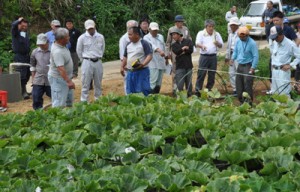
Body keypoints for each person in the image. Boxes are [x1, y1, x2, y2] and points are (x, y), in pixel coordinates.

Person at [77, 19, 105, 102]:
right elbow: (79, 50)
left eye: (92, 28)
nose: (91, 30)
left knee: (98, 83)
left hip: (98, 61)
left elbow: (102, 48)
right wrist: (84, 60)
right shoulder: (82, 38)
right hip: (87, 61)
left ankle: (98, 99)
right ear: (86, 29)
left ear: (94, 26)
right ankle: (84, 101)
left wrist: (99, 56)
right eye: (89, 29)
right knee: (85, 83)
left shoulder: (100, 37)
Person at [268, 25, 300, 96]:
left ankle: (287, 107)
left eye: (276, 37)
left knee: (284, 94)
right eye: (273, 38)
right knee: (275, 92)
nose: (275, 39)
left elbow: (299, 56)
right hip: (274, 71)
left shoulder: (290, 44)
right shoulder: (275, 42)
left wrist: (290, 65)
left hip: (283, 72)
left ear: (281, 34)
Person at [120, 26, 153, 95]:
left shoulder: (144, 43)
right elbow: (125, 56)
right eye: (128, 34)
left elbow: (149, 55)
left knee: (143, 91)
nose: (128, 36)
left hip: (142, 71)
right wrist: (122, 66)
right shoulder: (128, 45)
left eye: (130, 34)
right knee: (130, 92)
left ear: (137, 35)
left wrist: (143, 64)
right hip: (130, 72)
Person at [195, 19, 223, 97]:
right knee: (201, 74)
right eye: (209, 26)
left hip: (213, 57)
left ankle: (209, 90)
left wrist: (217, 43)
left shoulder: (216, 34)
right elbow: (197, 43)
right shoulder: (201, 33)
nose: (211, 28)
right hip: (204, 57)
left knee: (212, 75)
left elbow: (221, 45)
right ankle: (198, 91)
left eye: (212, 26)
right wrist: (202, 46)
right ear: (206, 27)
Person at [48, 28, 75, 107]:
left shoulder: (61, 45)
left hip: (65, 78)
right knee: (59, 103)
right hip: (59, 79)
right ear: (61, 39)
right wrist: (69, 81)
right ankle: (57, 118)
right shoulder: (57, 52)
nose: (69, 38)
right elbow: (61, 69)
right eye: (67, 37)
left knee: (68, 102)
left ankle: (69, 118)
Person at [231, 27, 259, 104]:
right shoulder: (238, 41)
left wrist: (253, 67)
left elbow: (255, 56)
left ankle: (249, 102)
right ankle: (241, 101)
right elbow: (235, 51)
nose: (241, 38)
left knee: (247, 84)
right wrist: (232, 58)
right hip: (240, 65)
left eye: (243, 37)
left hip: (248, 65)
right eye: (240, 36)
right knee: (239, 84)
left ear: (247, 35)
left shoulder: (252, 43)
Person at [166, 15, 192, 95]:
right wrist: (168, 53)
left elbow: (189, 38)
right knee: (175, 70)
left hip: (186, 53)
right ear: (176, 22)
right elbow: (168, 42)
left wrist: (189, 46)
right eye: (179, 22)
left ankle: (187, 91)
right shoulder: (171, 30)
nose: (181, 23)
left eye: (182, 22)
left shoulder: (185, 29)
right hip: (175, 51)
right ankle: (175, 89)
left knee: (187, 68)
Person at [143, 22, 167, 94]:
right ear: (149, 29)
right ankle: (150, 98)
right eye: (153, 30)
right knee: (152, 81)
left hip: (161, 62)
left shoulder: (160, 36)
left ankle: (156, 96)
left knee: (159, 82)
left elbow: (164, 47)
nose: (155, 32)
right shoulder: (146, 37)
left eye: (156, 30)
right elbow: (152, 46)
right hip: (152, 63)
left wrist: (166, 58)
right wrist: (159, 51)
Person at [30, 33, 51, 110]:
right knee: (36, 97)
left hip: (50, 78)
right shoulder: (35, 52)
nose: (41, 46)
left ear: (47, 42)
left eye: (43, 44)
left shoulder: (53, 51)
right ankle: (38, 113)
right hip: (38, 78)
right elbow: (32, 65)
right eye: (39, 44)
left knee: (55, 97)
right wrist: (33, 79)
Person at [11, 17, 31, 99]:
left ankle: (25, 90)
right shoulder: (15, 33)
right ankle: (22, 92)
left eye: (25, 26)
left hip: (26, 56)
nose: (24, 27)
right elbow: (13, 25)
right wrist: (19, 21)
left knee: (27, 74)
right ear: (19, 25)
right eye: (22, 26)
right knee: (21, 74)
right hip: (19, 56)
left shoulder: (26, 34)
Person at [170, 28, 194, 97]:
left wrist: (184, 50)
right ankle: (179, 98)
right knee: (180, 84)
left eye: (174, 34)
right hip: (179, 67)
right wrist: (183, 48)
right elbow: (177, 52)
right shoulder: (173, 45)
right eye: (172, 35)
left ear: (179, 35)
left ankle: (190, 97)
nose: (173, 36)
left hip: (189, 66)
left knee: (189, 84)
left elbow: (191, 50)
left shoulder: (188, 41)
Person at [119, 20, 139, 94]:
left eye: (133, 27)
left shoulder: (139, 36)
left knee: (137, 82)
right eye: (129, 28)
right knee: (128, 82)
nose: (130, 29)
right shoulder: (124, 39)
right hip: (128, 64)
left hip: (138, 63)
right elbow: (122, 54)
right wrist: (123, 65)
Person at [225, 17, 240, 95]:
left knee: (238, 71)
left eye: (234, 25)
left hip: (238, 56)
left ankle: (240, 88)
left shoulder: (240, 33)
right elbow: (228, 46)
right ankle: (235, 89)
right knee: (231, 72)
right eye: (231, 25)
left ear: (237, 25)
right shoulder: (230, 34)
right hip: (231, 55)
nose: (232, 26)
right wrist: (227, 56)